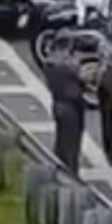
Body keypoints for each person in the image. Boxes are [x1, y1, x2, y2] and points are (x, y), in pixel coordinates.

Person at [42, 36, 88, 174]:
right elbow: (81, 72)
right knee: (71, 146)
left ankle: (59, 171)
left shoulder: (50, 64)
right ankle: (71, 175)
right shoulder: (64, 65)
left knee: (62, 143)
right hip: (71, 107)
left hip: (59, 104)